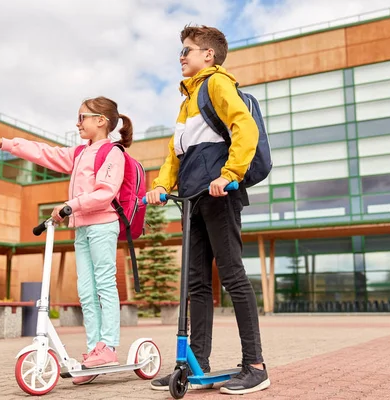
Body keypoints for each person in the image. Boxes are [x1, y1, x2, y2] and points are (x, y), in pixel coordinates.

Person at [145, 25, 270, 395]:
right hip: (192, 198)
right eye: (181, 51)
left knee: (232, 275)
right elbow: (174, 153)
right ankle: (193, 364)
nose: (181, 56)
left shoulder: (217, 84)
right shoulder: (187, 102)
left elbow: (243, 128)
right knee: (196, 285)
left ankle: (256, 366)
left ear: (208, 56)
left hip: (219, 194)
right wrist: (160, 186)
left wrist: (230, 173)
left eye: (187, 50)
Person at [0, 96, 132, 385]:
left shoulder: (112, 153)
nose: (77, 122)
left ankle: (107, 347)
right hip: (82, 228)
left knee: (104, 285)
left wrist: (71, 205)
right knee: (86, 290)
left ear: (101, 121)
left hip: (102, 225)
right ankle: (93, 350)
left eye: (82, 116)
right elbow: (44, 153)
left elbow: (106, 192)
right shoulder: (80, 153)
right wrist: (4, 143)